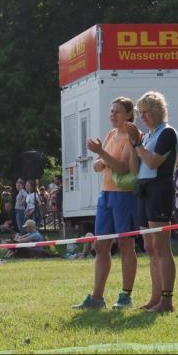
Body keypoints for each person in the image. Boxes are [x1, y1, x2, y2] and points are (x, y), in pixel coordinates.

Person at [73, 97, 140, 310]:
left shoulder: (132, 136)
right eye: (111, 111)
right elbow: (98, 166)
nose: (112, 115)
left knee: (125, 244)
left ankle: (125, 295)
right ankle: (96, 297)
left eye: (117, 112)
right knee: (101, 246)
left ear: (129, 114)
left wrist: (102, 154)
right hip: (106, 194)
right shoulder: (111, 134)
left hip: (124, 196)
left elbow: (122, 168)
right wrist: (102, 158)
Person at [125, 91, 178, 313]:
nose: (142, 117)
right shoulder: (147, 136)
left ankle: (166, 299)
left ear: (157, 111)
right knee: (148, 246)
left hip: (160, 188)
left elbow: (154, 162)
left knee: (161, 246)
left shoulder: (167, 133)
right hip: (144, 189)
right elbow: (133, 169)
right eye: (140, 113)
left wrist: (138, 143)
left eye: (145, 112)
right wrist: (133, 143)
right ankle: (155, 297)